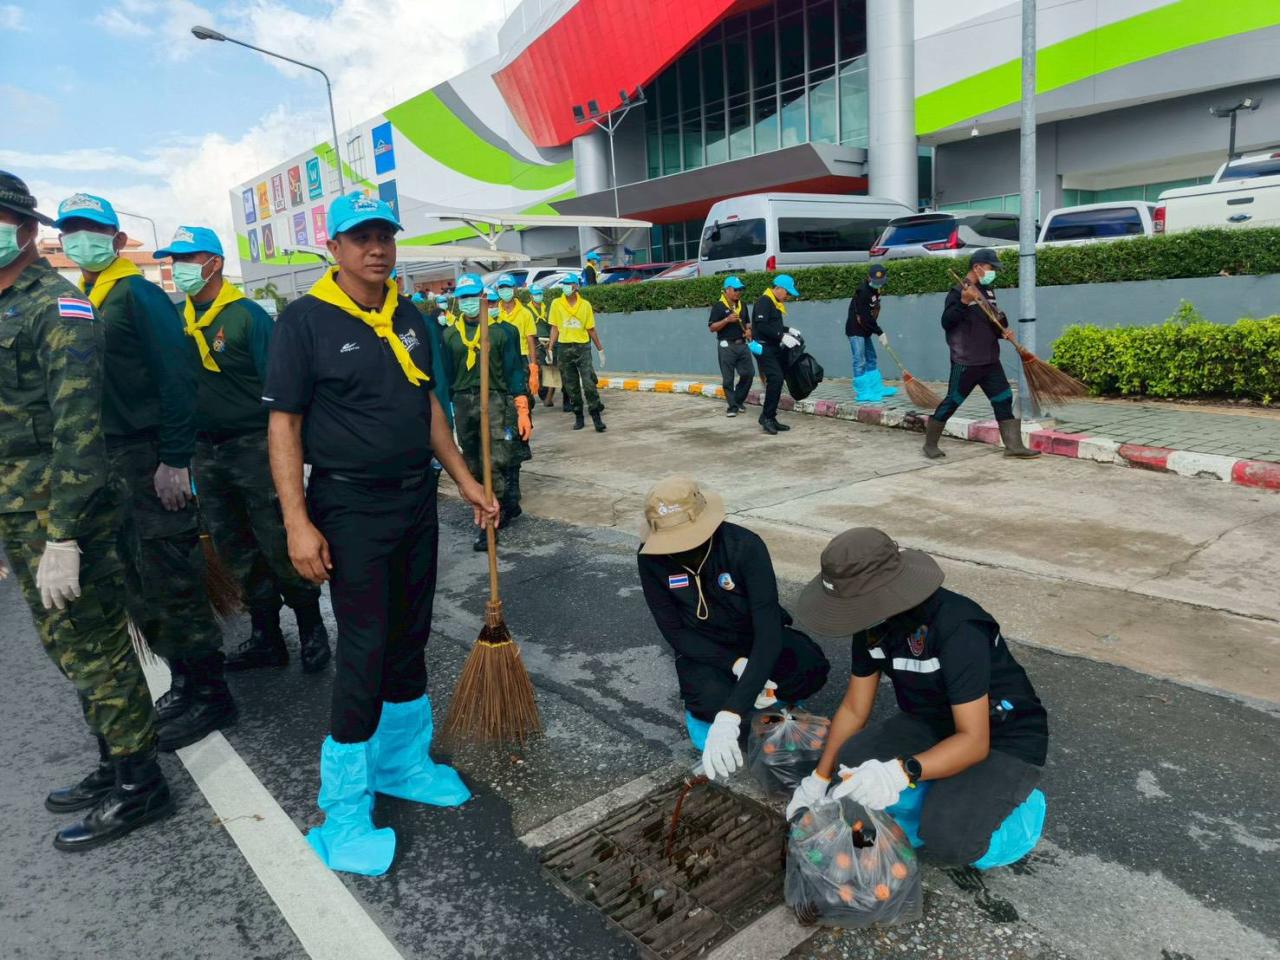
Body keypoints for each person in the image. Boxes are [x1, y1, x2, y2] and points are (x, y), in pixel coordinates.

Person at [263, 192, 498, 877]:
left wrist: (462, 476)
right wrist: (296, 522)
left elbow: (424, 401)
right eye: (360, 238)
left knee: (409, 635)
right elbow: (284, 426)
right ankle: (343, 809)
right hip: (348, 505)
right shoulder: (304, 323)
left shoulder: (410, 314)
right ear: (333, 248)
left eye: (384, 237)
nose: (377, 249)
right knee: (364, 649)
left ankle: (401, 763)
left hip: (413, 500)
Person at [0, 172, 174, 850]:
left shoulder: (58, 307)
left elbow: (79, 430)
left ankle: (141, 785)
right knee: (64, 648)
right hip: (22, 517)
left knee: (97, 649)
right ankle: (112, 764)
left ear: (23, 227)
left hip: (68, 516)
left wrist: (63, 535)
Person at [54, 192, 234, 752]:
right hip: (112, 460)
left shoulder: (135, 295)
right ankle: (183, 681)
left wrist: (175, 459)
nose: (82, 240)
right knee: (139, 583)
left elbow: (177, 379)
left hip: (148, 453)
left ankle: (211, 692)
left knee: (171, 578)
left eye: (94, 229)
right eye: (72, 231)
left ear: (116, 238)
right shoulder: (87, 296)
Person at [787, 527, 1049, 869]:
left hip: (999, 734)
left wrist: (901, 772)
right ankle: (943, 791)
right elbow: (854, 708)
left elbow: (973, 741)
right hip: (931, 721)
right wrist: (817, 780)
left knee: (949, 840)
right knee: (850, 760)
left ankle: (1015, 808)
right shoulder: (872, 625)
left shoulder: (958, 627)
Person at [155, 226, 330, 675]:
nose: (179, 269)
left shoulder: (248, 318)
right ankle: (266, 635)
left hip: (255, 446)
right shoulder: (177, 319)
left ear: (214, 262)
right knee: (235, 546)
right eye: (174, 260)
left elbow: (282, 390)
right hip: (205, 452)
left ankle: (311, 628)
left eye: (188, 259)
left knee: (277, 538)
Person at [637, 477, 830, 781]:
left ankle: (769, 699)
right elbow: (675, 632)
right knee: (709, 699)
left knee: (809, 665)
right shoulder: (650, 559)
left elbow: (768, 630)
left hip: (754, 638)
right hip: (704, 649)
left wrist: (733, 711)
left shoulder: (745, 546)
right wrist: (735, 665)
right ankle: (748, 699)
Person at [923, 249, 1039, 460]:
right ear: (977, 267)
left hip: (990, 359)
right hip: (966, 360)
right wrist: (964, 302)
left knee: (1003, 397)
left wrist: (1002, 330)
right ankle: (930, 444)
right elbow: (947, 322)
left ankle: (1013, 445)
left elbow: (993, 319)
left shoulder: (988, 291)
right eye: (991, 268)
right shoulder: (958, 291)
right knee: (953, 400)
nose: (993, 271)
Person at [441, 275, 530, 550]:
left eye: (473, 296)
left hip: (494, 400)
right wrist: (447, 412)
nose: (469, 302)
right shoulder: (450, 335)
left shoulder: (502, 332)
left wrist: (522, 406)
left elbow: (515, 370)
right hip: (464, 402)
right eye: (463, 297)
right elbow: (445, 375)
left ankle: (493, 521)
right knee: (474, 464)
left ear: (483, 297)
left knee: (496, 461)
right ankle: (490, 507)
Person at [495, 273, 539, 519]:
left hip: (519, 362)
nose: (504, 291)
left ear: (514, 289)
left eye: (507, 287)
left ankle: (515, 476)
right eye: (501, 288)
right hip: (499, 364)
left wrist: (533, 367)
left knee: (520, 416)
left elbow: (531, 341)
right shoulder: (493, 309)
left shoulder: (524, 313)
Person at [547, 273, 606, 432]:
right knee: (571, 386)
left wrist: (600, 348)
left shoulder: (585, 305)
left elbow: (591, 329)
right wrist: (550, 348)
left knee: (588, 384)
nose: (566, 287)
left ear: (576, 286)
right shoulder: (556, 304)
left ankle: (596, 417)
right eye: (564, 284)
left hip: (582, 347)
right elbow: (555, 328)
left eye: (569, 284)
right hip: (564, 348)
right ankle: (578, 416)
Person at [750, 274, 801, 436]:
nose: (788, 296)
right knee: (776, 379)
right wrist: (782, 336)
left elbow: (773, 325)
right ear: (778, 288)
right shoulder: (764, 301)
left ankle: (769, 416)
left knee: (777, 380)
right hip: (763, 348)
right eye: (787, 292)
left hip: (772, 347)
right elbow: (762, 326)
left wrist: (788, 330)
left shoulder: (774, 302)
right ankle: (767, 418)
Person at [847, 263, 898, 403]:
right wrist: (880, 332)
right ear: (869, 278)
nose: (878, 284)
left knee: (871, 358)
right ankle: (863, 393)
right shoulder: (863, 291)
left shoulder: (875, 290)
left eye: (880, 282)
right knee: (859, 361)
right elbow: (865, 317)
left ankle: (876, 388)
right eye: (876, 282)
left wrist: (874, 331)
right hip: (856, 330)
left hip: (865, 329)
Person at [708, 276, 753, 418]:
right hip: (726, 346)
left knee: (748, 374)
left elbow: (747, 323)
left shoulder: (743, 305)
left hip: (743, 344)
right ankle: (732, 407)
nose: (738, 292)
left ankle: (738, 400)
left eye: (741, 289)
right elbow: (712, 327)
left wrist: (749, 331)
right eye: (736, 289)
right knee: (728, 379)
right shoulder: (719, 306)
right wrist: (727, 320)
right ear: (727, 290)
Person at [529, 284, 564, 409]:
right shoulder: (527, 310)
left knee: (552, 369)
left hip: (550, 342)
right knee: (537, 370)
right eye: (535, 294)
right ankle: (536, 392)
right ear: (531, 296)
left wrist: (552, 342)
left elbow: (554, 325)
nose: (538, 296)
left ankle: (548, 398)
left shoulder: (547, 308)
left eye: (540, 293)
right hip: (536, 342)